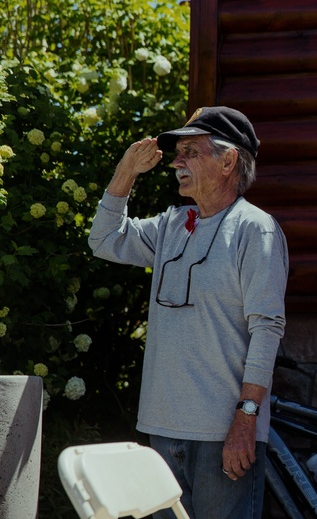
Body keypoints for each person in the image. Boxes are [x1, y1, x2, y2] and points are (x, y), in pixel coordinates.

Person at [89, 106, 288, 518]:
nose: (177, 162)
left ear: (229, 160)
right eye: (178, 152)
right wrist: (126, 171)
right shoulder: (171, 225)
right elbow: (104, 239)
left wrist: (246, 418)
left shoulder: (255, 229)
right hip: (161, 429)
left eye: (191, 152)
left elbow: (267, 329)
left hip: (223, 434)